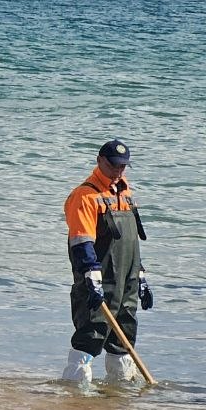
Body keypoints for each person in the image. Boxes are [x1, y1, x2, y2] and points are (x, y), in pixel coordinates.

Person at [62, 139, 153, 384]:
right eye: (113, 165)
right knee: (90, 335)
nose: (118, 171)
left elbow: (130, 241)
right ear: (99, 161)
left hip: (127, 281)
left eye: (123, 166)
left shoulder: (125, 193)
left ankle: (118, 394)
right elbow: (81, 242)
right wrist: (91, 278)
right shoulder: (85, 195)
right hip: (98, 281)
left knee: (123, 336)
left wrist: (140, 275)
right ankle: (75, 392)